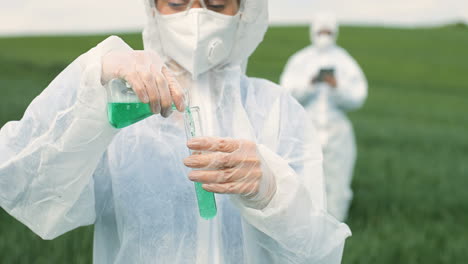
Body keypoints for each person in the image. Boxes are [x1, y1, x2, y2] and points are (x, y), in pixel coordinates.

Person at [0, 1, 351, 263]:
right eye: (177, 2)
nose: (196, 16)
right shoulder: (118, 113)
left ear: (245, 10)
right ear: (153, 9)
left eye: (216, 3)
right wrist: (94, 78)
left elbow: (318, 254)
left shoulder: (276, 111)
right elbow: (19, 182)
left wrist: (273, 193)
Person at [280, 13, 368, 221]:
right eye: (321, 32)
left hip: (337, 131)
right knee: (303, 180)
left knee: (337, 182)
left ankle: (336, 228)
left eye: (328, 32)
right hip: (305, 129)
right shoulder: (300, 60)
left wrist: (337, 88)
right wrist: (309, 85)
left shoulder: (345, 61)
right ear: (313, 32)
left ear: (335, 33)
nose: (324, 36)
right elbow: (285, 92)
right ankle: (304, 226)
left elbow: (358, 96)